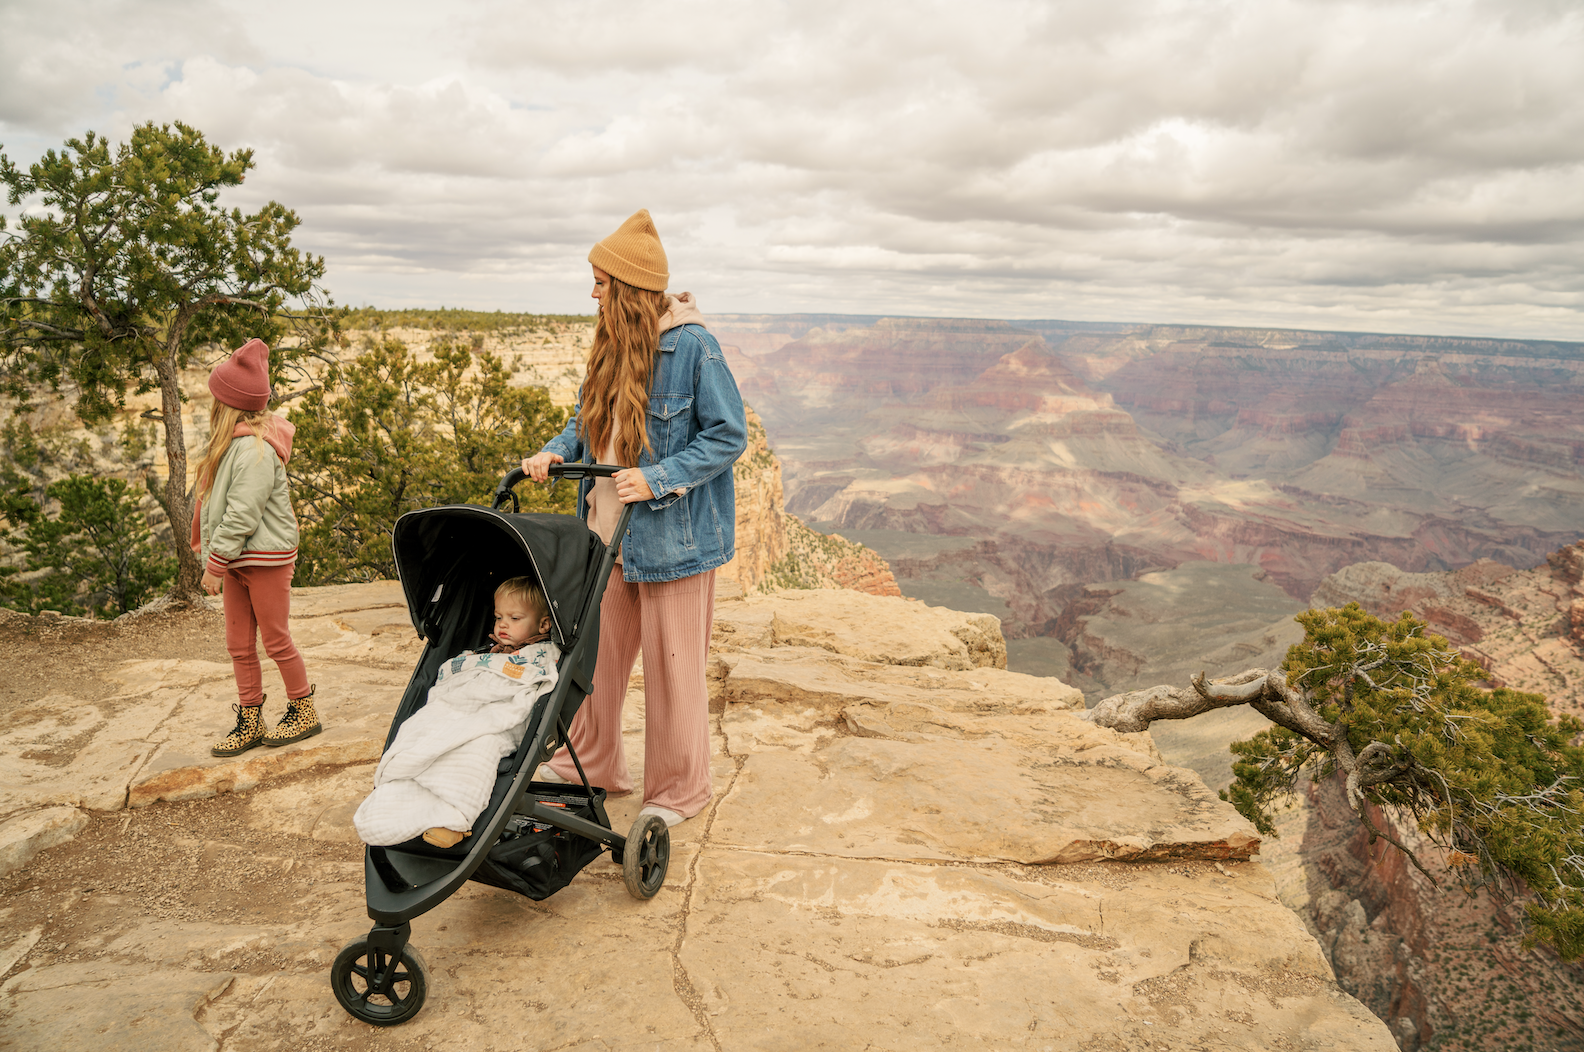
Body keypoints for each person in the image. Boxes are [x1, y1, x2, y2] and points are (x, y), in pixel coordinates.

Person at [522, 208, 747, 829]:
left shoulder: (694, 347)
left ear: (626, 288)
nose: (591, 292)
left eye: (599, 282)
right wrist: (555, 452)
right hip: (606, 538)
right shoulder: (609, 346)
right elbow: (583, 422)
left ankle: (678, 791)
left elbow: (729, 436)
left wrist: (658, 478)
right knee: (594, 661)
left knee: (675, 675)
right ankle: (593, 764)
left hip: (672, 543)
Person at [353, 576, 559, 849]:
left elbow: (536, 683)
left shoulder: (541, 653)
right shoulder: (489, 650)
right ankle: (399, 799)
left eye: (515, 618)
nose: (503, 624)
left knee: (478, 747)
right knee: (422, 727)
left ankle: (453, 818)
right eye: (498, 617)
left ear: (543, 624)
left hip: (498, 721)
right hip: (461, 708)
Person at [192, 338, 320, 757]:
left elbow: (242, 516)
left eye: (216, 398)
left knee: (276, 639)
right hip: (239, 559)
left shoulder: (255, 450)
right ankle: (250, 718)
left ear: (229, 403)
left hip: (263, 560)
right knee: (239, 644)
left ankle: (304, 710)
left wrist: (214, 564)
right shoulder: (233, 443)